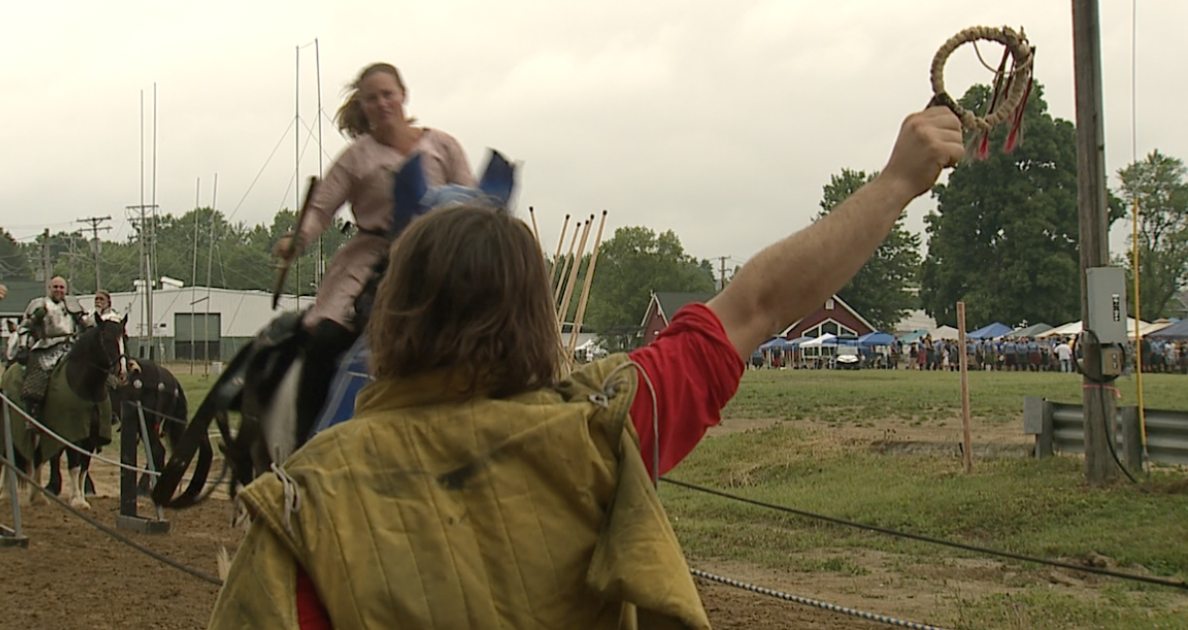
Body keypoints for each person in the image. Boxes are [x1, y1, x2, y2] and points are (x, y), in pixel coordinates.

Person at [208, 106, 964, 629]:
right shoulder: (605, 432)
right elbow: (758, 303)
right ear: (537, 313)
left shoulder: (298, 508)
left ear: (395, 311)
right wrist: (897, 181)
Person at [272, 61, 475, 425]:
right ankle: (308, 441)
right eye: (372, 98)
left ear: (403, 96)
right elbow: (320, 209)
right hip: (372, 260)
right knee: (325, 339)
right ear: (362, 106)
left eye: (388, 95)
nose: (382, 104)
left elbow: (472, 201)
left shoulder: (443, 146)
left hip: (439, 257)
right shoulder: (356, 158)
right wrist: (298, 238)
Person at [18, 277, 89, 413]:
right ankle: (32, 411)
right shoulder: (38, 304)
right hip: (46, 347)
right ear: (49, 288)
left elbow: (87, 323)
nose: (58, 290)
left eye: (61, 287)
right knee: (37, 377)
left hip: (71, 346)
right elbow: (24, 328)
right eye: (55, 287)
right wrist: (23, 347)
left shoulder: (72, 304)